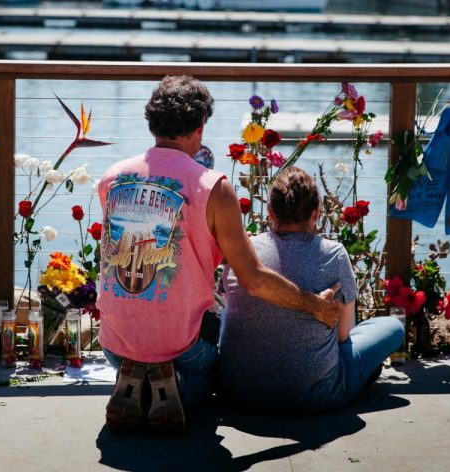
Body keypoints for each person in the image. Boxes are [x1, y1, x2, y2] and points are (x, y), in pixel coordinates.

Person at [97, 76, 342, 433]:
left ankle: (135, 380)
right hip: (182, 348)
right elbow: (254, 279)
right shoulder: (214, 187)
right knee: (215, 371)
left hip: (115, 345)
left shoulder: (112, 177)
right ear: (200, 127)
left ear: (152, 123)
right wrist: (316, 306)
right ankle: (173, 388)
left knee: (152, 345)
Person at [218, 167, 404, 414]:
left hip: (238, 393)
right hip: (316, 395)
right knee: (392, 328)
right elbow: (342, 336)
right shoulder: (334, 254)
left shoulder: (244, 253)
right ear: (316, 213)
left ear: (271, 212)